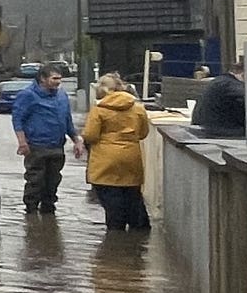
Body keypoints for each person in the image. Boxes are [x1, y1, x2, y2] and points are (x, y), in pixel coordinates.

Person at [79, 74, 154, 231]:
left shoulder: (99, 110)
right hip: (131, 157)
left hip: (105, 160)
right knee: (133, 196)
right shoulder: (138, 108)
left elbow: (91, 135)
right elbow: (143, 133)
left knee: (111, 199)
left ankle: (115, 237)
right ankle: (138, 236)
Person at [11, 62, 77, 214]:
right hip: (36, 146)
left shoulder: (61, 96)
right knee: (35, 180)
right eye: (54, 78)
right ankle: (31, 211)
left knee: (53, 180)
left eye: (60, 78)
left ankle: (49, 209)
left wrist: (76, 140)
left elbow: (67, 119)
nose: (58, 82)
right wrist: (22, 142)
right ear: (42, 78)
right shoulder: (28, 95)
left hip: (57, 146)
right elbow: (18, 119)